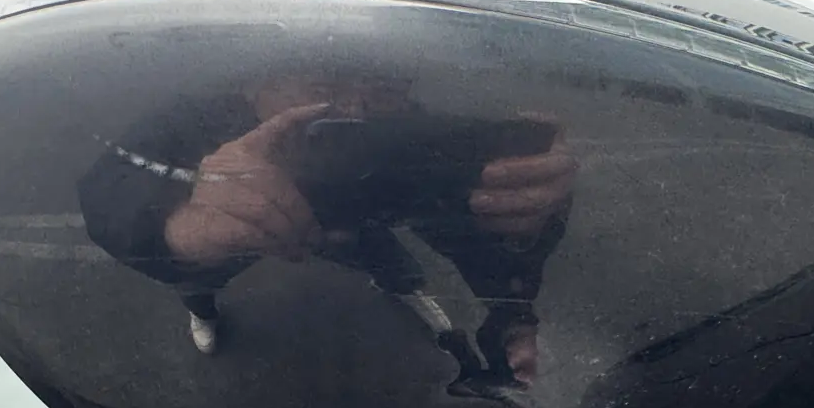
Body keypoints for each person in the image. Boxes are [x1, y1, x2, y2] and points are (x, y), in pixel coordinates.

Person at [78, 74, 575, 385]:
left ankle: (408, 291)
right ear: (254, 85)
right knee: (203, 271)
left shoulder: (405, 135)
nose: (352, 112)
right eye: (323, 89)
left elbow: (460, 224)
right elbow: (113, 180)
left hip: (358, 223)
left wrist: (512, 301)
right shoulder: (199, 119)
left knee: (392, 264)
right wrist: (177, 229)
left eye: (380, 90)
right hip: (252, 222)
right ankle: (202, 308)